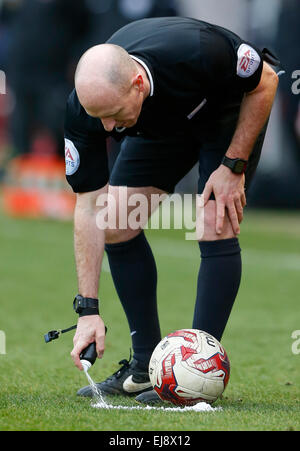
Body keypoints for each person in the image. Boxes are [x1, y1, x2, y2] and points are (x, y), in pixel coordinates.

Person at [64, 17, 279, 404]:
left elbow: (266, 81)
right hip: (162, 126)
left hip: (226, 110)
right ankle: (146, 367)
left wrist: (234, 166)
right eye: (99, 118)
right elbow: (89, 207)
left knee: (216, 219)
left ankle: (197, 371)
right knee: (116, 221)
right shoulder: (89, 110)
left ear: (138, 84)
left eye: (112, 114)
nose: (109, 128)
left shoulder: (197, 50)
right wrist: (88, 310)